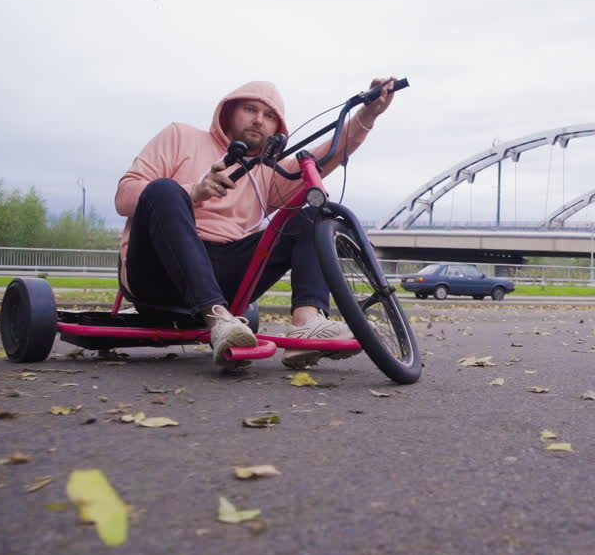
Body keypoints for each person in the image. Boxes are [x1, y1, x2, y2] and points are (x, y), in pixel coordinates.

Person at [114, 77, 399, 370]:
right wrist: (194, 191)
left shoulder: (269, 171)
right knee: (163, 189)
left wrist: (368, 114)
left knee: (314, 212)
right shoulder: (179, 136)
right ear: (229, 111)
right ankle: (218, 321)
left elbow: (327, 155)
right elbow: (124, 197)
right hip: (157, 271)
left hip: (228, 274)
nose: (259, 120)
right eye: (250, 109)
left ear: (278, 129)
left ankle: (307, 321)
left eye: (269, 116)